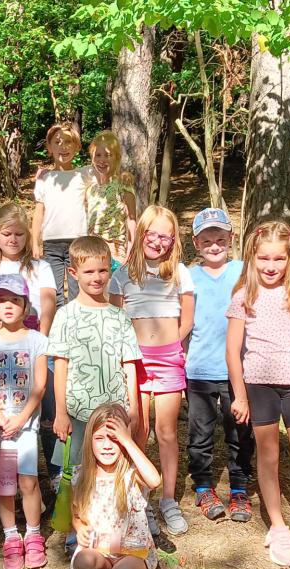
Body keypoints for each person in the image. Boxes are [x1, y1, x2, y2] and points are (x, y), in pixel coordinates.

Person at [227, 221, 290, 569]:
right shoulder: (243, 297)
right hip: (260, 386)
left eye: (278, 259)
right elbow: (233, 352)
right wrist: (240, 396)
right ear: (252, 257)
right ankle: (278, 527)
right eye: (264, 258)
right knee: (268, 458)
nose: (271, 266)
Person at [111, 206, 194, 535]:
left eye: (166, 236)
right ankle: (140, 496)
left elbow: (187, 319)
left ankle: (168, 499)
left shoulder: (179, 273)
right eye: (152, 234)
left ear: (174, 240)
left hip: (168, 360)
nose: (158, 241)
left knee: (167, 431)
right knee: (138, 429)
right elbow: (117, 322)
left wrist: (174, 346)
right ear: (141, 233)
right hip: (135, 362)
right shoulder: (122, 275)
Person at [47, 235, 142, 475]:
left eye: (102, 270)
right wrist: (60, 412)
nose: (96, 277)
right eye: (88, 271)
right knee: (75, 478)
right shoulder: (65, 315)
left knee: (113, 475)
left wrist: (133, 410)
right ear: (73, 273)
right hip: (77, 412)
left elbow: (129, 365)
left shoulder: (119, 316)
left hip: (114, 413)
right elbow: (60, 366)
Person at [0, 274, 49, 569]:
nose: (8, 305)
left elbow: (40, 386)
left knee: (28, 481)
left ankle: (33, 534)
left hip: (26, 425)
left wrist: (20, 418)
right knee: (5, 484)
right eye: (1, 300)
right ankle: (10, 537)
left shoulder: (37, 340)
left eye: (15, 300)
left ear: (25, 306)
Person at [185, 207, 254, 523]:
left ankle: (239, 488)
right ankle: (202, 486)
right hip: (199, 368)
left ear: (231, 239)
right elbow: (183, 320)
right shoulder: (189, 276)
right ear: (196, 243)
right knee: (200, 433)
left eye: (220, 239)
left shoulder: (243, 271)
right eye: (207, 240)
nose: (214, 246)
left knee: (240, 432)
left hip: (237, 370)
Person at [71, 402, 161, 569]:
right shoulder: (82, 476)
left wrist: (128, 441)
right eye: (99, 438)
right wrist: (79, 528)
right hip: (98, 553)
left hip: (131, 554)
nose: (107, 446)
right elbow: (76, 511)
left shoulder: (132, 474)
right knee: (82, 564)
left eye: (114, 439)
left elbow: (155, 480)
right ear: (89, 440)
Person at [31, 122, 91, 307]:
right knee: (54, 291)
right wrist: (35, 242)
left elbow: (106, 170)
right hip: (51, 243)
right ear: (49, 147)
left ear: (77, 146)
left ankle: (75, 324)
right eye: (57, 142)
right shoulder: (44, 178)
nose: (63, 147)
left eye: (68, 142)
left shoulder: (84, 174)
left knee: (77, 290)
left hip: (78, 242)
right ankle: (56, 324)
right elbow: (39, 212)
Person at [0, 203, 58, 334]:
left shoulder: (42, 268)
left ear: (27, 236)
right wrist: (7, 340)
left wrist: (41, 339)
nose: (13, 239)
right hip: (3, 342)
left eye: (19, 234)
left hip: (37, 338)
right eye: (6, 234)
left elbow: (48, 310)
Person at [84, 130, 137, 266]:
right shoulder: (91, 190)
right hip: (92, 249)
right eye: (98, 155)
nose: (102, 160)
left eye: (108, 155)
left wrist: (131, 249)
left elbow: (131, 220)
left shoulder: (123, 184)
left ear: (117, 157)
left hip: (115, 249)